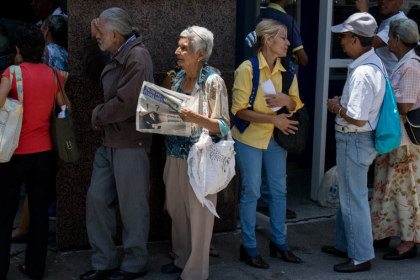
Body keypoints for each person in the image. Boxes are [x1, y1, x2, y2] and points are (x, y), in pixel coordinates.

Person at [79, 7, 154, 280]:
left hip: (130, 142)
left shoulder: (137, 56)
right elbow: (92, 60)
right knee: (96, 199)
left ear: (115, 34)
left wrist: (97, 114)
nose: (96, 36)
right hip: (110, 139)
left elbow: (128, 104)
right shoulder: (119, 51)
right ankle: (105, 262)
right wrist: (93, 30)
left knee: (133, 206)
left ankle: (134, 264)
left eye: (100, 32)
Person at [0, 24, 71, 280]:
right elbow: (67, 108)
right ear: (42, 49)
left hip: (13, 153)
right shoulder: (53, 73)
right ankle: (35, 268)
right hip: (44, 153)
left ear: (18, 49)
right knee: (40, 214)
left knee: (5, 213)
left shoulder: (12, 72)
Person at [159, 26, 230, 280]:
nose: (177, 51)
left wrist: (196, 119)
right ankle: (181, 260)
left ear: (200, 54)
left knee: (199, 219)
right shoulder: (178, 78)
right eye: (179, 46)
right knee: (177, 211)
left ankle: (196, 272)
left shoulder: (213, 81)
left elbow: (222, 126)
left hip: (200, 159)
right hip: (175, 154)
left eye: (183, 48)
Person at [232, 19, 303, 269]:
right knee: (251, 191)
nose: (288, 43)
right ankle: (249, 247)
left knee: (279, 191)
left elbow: (296, 103)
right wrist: (275, 119)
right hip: (250, 137)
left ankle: (279, 243)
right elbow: (239, 111)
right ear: (268, 40)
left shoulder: (288, 70)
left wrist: (287, 100)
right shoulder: (247, 69)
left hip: (275, 137)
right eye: (283, 38)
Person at [322, 13, 386, 273]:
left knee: (353, 200)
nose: (341, 41)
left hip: (355, 139)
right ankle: (345, 245)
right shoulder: (372, 63)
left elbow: (358, 119)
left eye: (344, 36)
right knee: (349, 197)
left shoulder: (362, 72)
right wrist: (344, 106)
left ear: (358, 40)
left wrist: (336, 108)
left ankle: (360, 256)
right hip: (359, 140)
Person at [11, 13, 69, 243]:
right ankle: (36, 259)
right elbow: (66, 106)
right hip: (50, 137)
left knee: (21, 196)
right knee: (42, 195)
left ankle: (22, 229)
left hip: (25, 140)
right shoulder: (63, 56)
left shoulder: (45, 57)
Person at [370, 18, 420, 260]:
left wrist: (383, 95)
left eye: (389, 37)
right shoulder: (405, 63)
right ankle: (384, 233)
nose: (387, 41)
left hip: (405, 144)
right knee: (389, 190)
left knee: (404, 194)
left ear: (398, 39)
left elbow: (405, 105)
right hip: (395, 141)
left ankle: (408, 243)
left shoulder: (411, 66)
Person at [356, 0, 407, 76]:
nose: (383, 1)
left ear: (400, 2)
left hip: (395, 81)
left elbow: (368, 43)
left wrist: (363, 11)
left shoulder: (400, 22)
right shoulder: (385, 20)